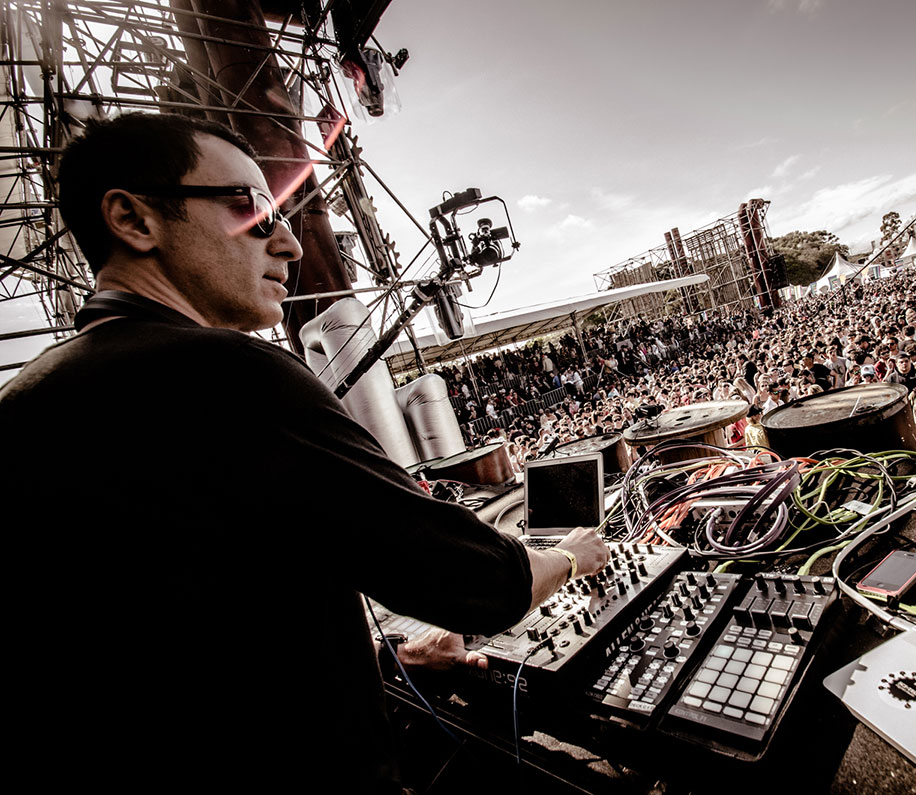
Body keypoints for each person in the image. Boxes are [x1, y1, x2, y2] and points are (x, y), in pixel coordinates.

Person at [0, 113, 609, 793]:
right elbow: (479, 583)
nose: (288, 242)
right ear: (133, 219)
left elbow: (181, 637)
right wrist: (569, 557)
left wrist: (392, 656)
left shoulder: (22, 403)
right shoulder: (227, 374)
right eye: (252, 209)